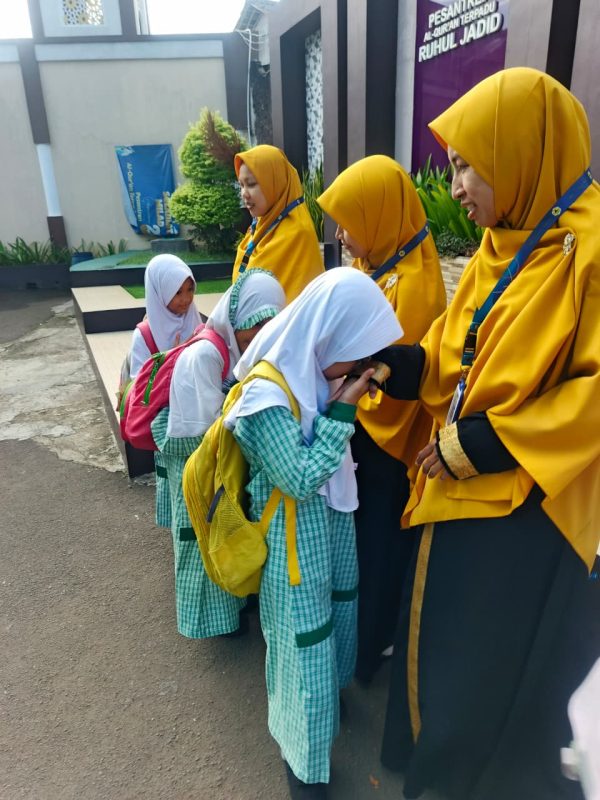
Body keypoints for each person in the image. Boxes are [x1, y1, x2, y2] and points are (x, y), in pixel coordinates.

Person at [375, 68, 600, 800]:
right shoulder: (501, 246)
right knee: (445, 645)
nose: (457, 187)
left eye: (468, 166)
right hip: (461, 488)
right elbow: (453, 350)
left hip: (530, 514)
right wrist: (392, 367)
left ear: (521, 153)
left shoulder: (590, 251)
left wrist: (491, 441)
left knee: (488, 666)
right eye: (453, 168)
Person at [225, 268, 403, 798]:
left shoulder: (313, 375)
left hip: (329, 525)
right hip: (291, 542)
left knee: (337, 619)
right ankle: (302, 760)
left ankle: (324, 699)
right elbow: (300, 478)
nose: (363, 369)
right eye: (357, 356)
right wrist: (344, 407)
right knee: (303, 646)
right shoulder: (265, 396)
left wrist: (341, 393)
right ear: (327, 336)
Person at [317, 155, 446, 685]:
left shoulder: (414, 285)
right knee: (357, 546)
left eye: (350, 223)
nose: (341, 236)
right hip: (358, 429)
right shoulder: (373, 267)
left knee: (377, 549)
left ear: (380, 218)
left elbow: (392, 385)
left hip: (384, 444)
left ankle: (369, 648)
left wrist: (344, 394)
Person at [150, 269, 286, 639]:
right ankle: (211, 624)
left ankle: (229, 609)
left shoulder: (231, 348)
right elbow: (206, 426)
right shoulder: (207, 355)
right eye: (254, 324)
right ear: (236, 317)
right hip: (196, 458)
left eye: (271, 323)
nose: (261, 334)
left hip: (210, 453)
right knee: (201, 539)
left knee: (218, 532)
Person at [127, 254, 202, 528]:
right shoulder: (145, 334)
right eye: (177, 292)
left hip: (198, 416)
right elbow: (140, 383)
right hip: (166, 423)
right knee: (174, 474)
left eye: (190, 289)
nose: (185, 299)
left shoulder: (197, 322)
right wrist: (173, 358)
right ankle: (180, 525)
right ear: (159, 292)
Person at [232, 144, 324, 303]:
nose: (244, 194)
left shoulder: (296, 234)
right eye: (241, 185)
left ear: (275, 183)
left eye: (251, 184)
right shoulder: (259, 227)